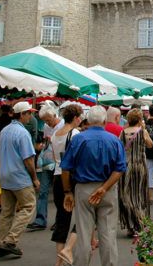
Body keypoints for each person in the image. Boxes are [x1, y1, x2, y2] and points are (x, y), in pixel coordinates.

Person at [61, 105, 126, 266]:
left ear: (88, 121)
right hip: (108, 189)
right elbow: (120, 169)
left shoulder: (78, 139)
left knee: (83, 233)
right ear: (104, 121)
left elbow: (66, 168)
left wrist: (67, 191)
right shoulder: (114, 140)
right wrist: (104, 188)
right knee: (108, 233)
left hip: (83, 188)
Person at [0, 101, 39, 258]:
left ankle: (2, 242)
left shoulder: (5, 130)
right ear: (23, 114)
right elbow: (28, 159)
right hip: (19, 176)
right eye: (29, 113)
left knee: (7, 212)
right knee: (28, 206)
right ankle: (10, 240)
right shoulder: (23, 133)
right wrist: (34, 178)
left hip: (5, 174)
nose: (30, 116)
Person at [51, 104, 82, 266]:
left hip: (57, 176)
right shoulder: (75, 133)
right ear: (76, 118)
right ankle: (68, 248)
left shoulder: (56, 134)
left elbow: (55, 156)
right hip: (71, 177)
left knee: (62, 218)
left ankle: (59, 261)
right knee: (84, 214)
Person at [27, 103, 63, 231]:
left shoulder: (63, 125)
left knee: (59, 194)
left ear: (54, 115)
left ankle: (59, 221)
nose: (48, 123)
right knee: (42, 191)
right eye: (45, 121)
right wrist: (43, 144)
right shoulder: (47, 127)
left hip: (59, 162)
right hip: (46, 162)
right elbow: (44, 142)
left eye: (49, 120)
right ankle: (40, 220)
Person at [119, 108, 153, 237]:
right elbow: (150, 145)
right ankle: (140, 223)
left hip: (126, 167)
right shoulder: (142, 132)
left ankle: (130, 225)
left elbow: (119, 147)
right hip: (140, 167)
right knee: (139, 195)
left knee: (127, 196)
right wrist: (143, 129)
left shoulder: (122, 132)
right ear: (139, 120)